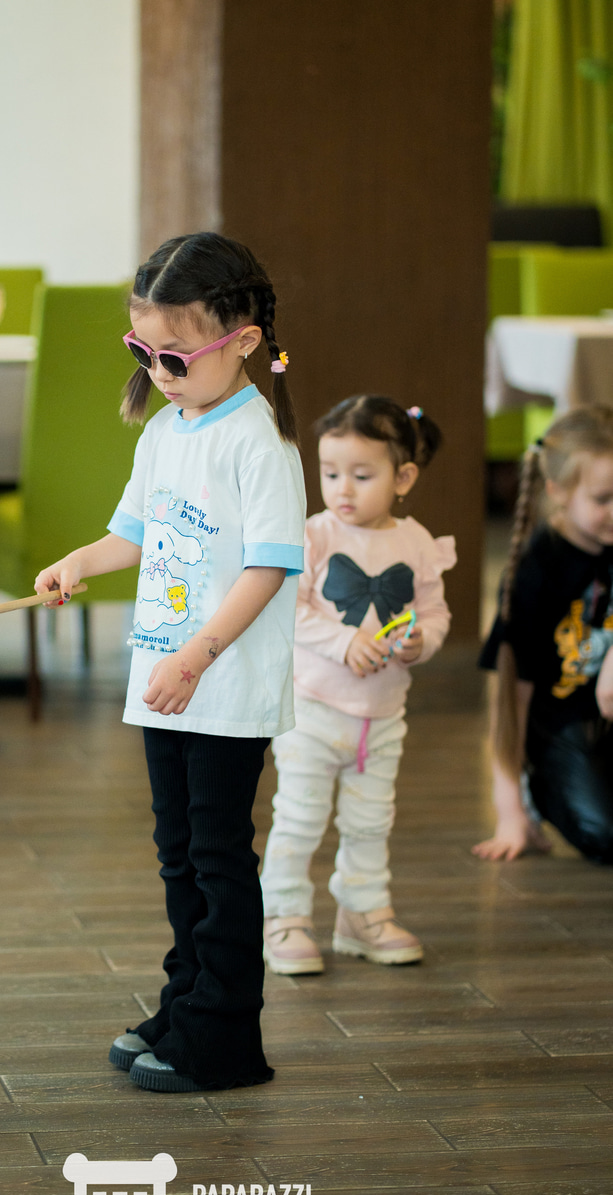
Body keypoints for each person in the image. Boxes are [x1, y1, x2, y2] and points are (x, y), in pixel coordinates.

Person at [35, 231, 306, 1091]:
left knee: (219, 857)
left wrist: (197, 655)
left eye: (176, 356)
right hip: (166, 680)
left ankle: (223, 1036)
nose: (159, 371)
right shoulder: (164, 430)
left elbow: (268, 567)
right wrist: (79, 561)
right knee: (178, 853)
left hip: (222, 685)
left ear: (243, 340)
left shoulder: (258, 443)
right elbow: (133, 534)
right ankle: (185, 999)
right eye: (143, 352)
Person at [260, 396, 456, 974]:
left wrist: (424, 641)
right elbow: (287, 607)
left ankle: (362, 914)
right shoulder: (314, 536)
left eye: (362, 476)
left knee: (371, 823)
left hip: (382, 716)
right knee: (299, 820)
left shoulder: (417, 542)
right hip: (313, 712)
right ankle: (284, 916)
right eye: (330, 473)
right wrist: (343, 641)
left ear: (404, 478)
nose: (342, 489)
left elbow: (435, 612)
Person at [473, 406, 613, 866]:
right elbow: (512, 703)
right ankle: (541, 792)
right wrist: (509, 810)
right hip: (562, 727)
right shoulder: (535, 573)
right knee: (603, 834)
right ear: (558, 491)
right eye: (603, 498)